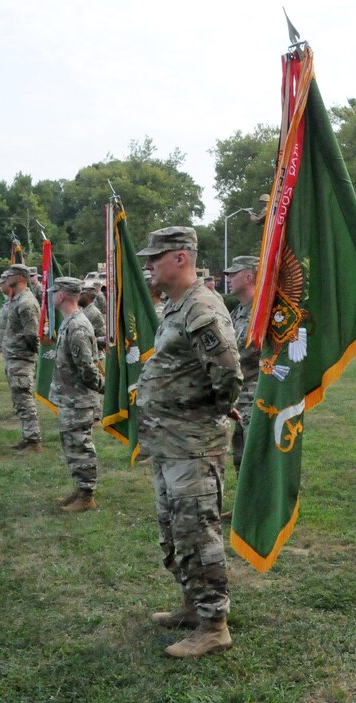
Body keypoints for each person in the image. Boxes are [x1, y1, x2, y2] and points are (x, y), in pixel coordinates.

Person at [135, 226, 242, 659]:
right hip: (169, 442)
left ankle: (214, 625)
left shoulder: (201, 307)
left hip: (193, 445)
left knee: (198, 534)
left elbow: (228, 374)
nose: (149, 266)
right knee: (175, 531)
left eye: (155, 258)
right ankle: (191, 604)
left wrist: (205, 413)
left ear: (180, 257)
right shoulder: (175, 305)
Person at [49, 277, 105, 512]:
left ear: (62, 295)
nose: (51, 295)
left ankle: (87, 495)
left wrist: (103, 389)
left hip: (79, 398)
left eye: (54, 292)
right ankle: (80, 488)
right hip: (70, 396)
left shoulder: (78, 325)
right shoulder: (69, 322)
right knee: (72, 446)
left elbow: (87, 368)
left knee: (80, 446)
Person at [224, 255, 261, 475]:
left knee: (254, 456)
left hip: (256, 394)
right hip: (240, 394)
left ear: (248, 276)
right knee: (240, 454)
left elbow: (246, 351)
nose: (228, 277)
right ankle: (244, 508)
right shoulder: (238, 311)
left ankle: (259, 509)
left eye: (233, 273)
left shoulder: (261, 311)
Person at [3, 264, 42, 452]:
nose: (6, 278)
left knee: (24, 399)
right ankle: (28, 437)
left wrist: (29, 354)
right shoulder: (15, 299)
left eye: (9, 275)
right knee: (19, 399)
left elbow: (32, 334)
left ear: (19, 278)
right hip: (14, 356)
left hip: (22, 357)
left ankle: (33, 441)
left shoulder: (26, 302)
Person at [78, 281, 107, 352]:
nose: (78, 297)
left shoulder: (94, 313)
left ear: (89, 296)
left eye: (81, 294)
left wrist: (87, 340)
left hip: (92, 354)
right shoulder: (82, 310)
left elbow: (103, 337)